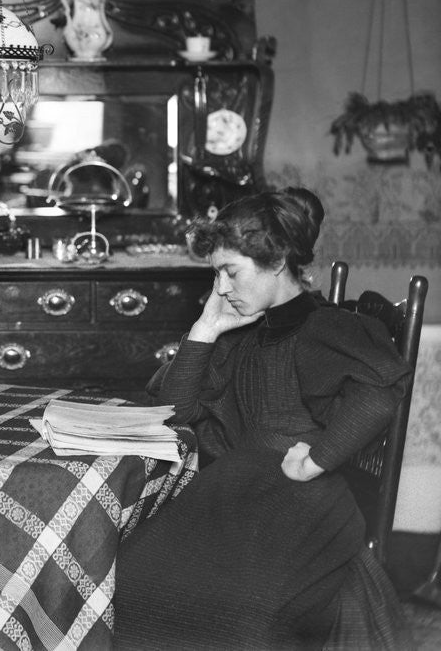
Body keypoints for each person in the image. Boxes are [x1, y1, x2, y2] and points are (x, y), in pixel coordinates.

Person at [113, 187, 413, 650]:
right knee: (136, 576)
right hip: (236, 490)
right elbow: (175, 412)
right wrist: (204, 331)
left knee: (242, 609)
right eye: (216, 275)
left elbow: (382, 389)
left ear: (276, 263)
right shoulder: (244, 331)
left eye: (230, 272)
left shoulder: (325, 327)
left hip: (303, 502)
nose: (221, 289)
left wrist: (319, 458)